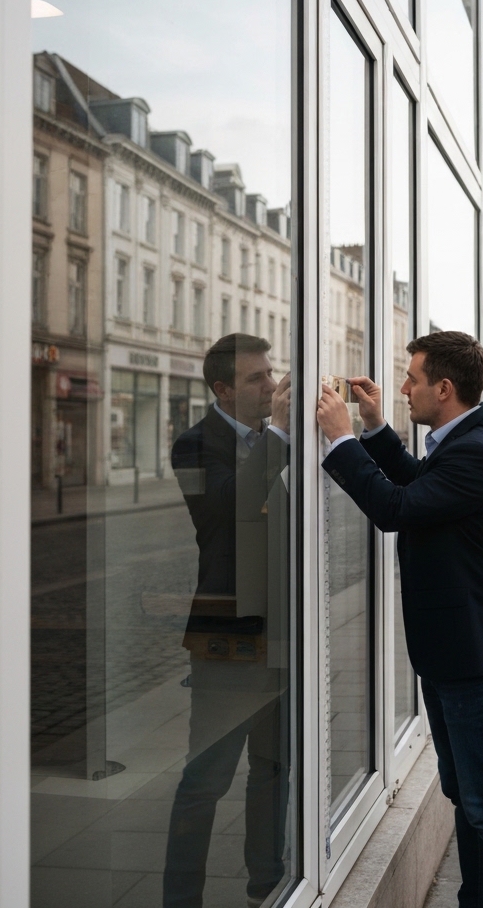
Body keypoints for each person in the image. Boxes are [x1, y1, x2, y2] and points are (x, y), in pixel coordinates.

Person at [316, 331, 483, 908]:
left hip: (478, 658)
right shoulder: (463, 440)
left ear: (444, 388)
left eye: (411, 379)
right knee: (470, 798)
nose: (402, 388)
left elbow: (396, 509)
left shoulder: (478, 450)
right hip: (454, 654)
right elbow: (420, 484)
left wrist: (342, 439)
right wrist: (373, 428)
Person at [164, 333, 292, 908]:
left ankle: (266, 887)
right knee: (205, 782)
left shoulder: (275, 440)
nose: (269, 384)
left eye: (270, 373)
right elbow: (226, 511)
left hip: (281, 635)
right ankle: (180, 900)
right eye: (255, 378)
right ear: (222, 390)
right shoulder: (194, 445)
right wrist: (284, 439)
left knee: (272, 772)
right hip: (228, 641)